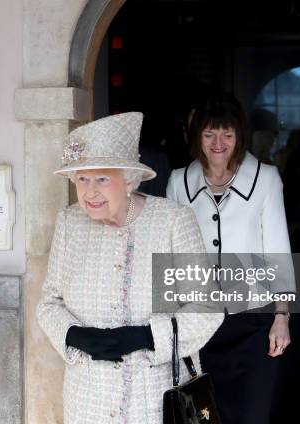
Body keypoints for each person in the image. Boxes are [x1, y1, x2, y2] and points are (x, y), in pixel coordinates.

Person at [36, 112, 224, 423]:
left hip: (155, 398)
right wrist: (73, 335)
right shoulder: (70, 222)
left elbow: (207, 307)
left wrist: (147, 337)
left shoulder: (172, 222)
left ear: (129, 180)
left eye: (102, 179)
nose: (90, 192)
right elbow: (49, 302)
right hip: (88, 401)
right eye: (82, 179)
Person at [166, 94, 295, 424]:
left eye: (227, 134)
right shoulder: (179, 182)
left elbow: (277, 251)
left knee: (252, 414)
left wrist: (282, 317)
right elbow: (170, 255)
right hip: (200, 324)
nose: (218, 143)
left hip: (254, 323)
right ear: (197, 137)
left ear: (240, 136)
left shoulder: (265, 179)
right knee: (203, 415)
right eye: (209, 134)